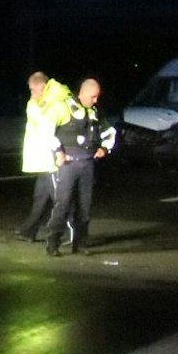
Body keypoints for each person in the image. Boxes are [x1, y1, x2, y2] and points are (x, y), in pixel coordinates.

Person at [43, 77, 117, 256]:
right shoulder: (63, 107)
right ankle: (53, 243)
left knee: (85, 207)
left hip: (87, 164)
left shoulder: (94, 112)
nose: (96, 100)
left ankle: (81, 242)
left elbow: (110, 133)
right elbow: (46, 130)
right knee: (63, 205)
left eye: (97, 97)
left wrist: (104, 149)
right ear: (83, 93)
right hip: (68, 165)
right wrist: (58, 152)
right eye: (93, 97)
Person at [14, 71, 75, 241]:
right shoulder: (39, 102)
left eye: (33, 89)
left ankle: (71, 233)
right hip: (43, 159)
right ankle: (29, 230)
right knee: (41, 196)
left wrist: (58, 153)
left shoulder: (54, 104)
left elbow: (48, 130)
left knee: (61, 199)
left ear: (42, 86)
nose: (31, 93)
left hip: (52, 160)